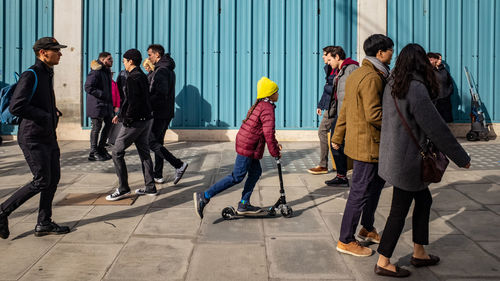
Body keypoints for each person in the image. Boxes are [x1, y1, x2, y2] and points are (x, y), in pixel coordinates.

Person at [375, 44, 471, 278]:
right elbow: (436, 128)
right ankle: (383, 260)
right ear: (421, 63)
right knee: (399, 211)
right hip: (408, 161)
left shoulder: (393, 84)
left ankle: (419, 252)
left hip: (395, 155)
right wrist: (461, 157)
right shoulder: (415, 88)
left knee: (424, 200)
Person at [0, 37, 70, 238]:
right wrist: (45, 115)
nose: (60, 53)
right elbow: (17, 106)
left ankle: (44, 222)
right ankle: (3, 211)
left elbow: (37, 102)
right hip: (32, 137)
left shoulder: (46, 73)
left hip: (47, 135)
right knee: (41, 180)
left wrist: (52, 110)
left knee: (53, 178)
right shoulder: (31, 74)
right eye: (56, 50)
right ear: (43, 53)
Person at [331, 34, 394, 257]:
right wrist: (397, 124)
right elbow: (374, 114)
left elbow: (345, 108)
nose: (391, 54)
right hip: (368, 145)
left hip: (368, 144)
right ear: (380, 53)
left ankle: (367, 228)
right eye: (390, 50)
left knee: (375, 187)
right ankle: (345, 239)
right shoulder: (372, 77)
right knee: (359, 191)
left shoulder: (358, 73)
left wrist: (337, 137)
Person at [193, 77, 281, 219]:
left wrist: (275, 145)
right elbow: (268, 133)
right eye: (276, 92)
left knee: (255, 172)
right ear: (269, 94)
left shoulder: (260, 104)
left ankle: (244, 203)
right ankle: (204, 196)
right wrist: (275, 152)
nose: (278, 94)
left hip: (248, 143)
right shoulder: (267, 108)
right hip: (248, 145)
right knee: (237, 176)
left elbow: (265, 131)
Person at [106, 49, 157, 201]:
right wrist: (120, 115)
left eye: (124, 61)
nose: (123, 63)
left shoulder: (132, 78)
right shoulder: (141, 75)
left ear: (130, 61)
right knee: (144, 153)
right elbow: (132, 100)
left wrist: (126, 119)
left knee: (116, 152)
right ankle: (150, 187)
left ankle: (123, 188)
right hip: (146, 120)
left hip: (135, 122)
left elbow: (133, 102)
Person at [146, 44, 188, 185]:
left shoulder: (162, 70)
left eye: (150, 55)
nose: (149, 58)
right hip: (165, 112)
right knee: (158, 143)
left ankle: (178, 164)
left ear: (157, 55)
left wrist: (147, 103)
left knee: (150, 141)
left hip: (159, 113)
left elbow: (160, 93)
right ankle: (158, 175)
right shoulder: (166, 69)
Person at [323, 47, 359, 187]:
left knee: (343, 144)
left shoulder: (352, 69)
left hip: (349, 113)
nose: (328, 62)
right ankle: (341, 175)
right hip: (340, 113)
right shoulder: (340, 70)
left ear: (337, 57)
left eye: (330, 59)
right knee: (336, 143)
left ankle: (352, 176)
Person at [308, 46, 335, 175]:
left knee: (323, 131)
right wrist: (321, 105)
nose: (323, 57)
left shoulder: (339, 69)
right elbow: (328, 88)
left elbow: (333, 89)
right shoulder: (329, 68)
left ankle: (323, 165)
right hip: (330, 105)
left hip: (335, 106)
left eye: (325, 55)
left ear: (333, 55)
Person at [85, 52, 114, 161]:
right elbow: (88, 87)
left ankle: (101, 148)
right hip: (97, 105)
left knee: (108, 125)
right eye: (109, 59)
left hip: (106, 105)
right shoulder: (96, 72)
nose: (112, 61)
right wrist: (102, 94)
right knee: (96, 128)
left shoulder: (106, 72)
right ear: (102, 60)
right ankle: (93, 152)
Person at [427, 52, 454, 122]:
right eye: (438, 59)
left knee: (447, 120)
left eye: (441, 59)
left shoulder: (444, 70)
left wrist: (448, 92)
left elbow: (450, 83)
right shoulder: (430, 71)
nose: (440, 60)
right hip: (436, 101)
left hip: (445, 100)